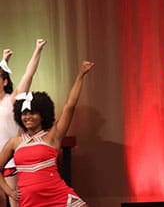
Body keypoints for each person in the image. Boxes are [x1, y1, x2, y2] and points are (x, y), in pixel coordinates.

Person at [0, 60, 94, 207]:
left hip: (57, 195)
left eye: (33, 113)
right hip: (29, 201)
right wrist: (10, 191)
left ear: (43, 115)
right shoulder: (14, 142)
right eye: (24, 114)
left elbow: (70, 106)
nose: (28, 117)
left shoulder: (53, 136)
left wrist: (80, 75)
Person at [0, 39, 46, 207]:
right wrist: (5, 60)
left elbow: (28, 74)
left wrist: (38, 49)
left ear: (4, 82)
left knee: (17, 203)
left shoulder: (11, 100)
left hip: (9, 164)